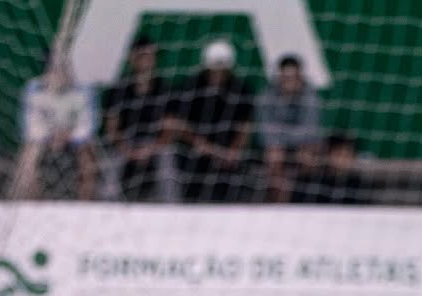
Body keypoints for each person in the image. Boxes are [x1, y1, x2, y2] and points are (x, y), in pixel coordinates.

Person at [164, 38, 256, 203]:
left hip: (228, 154)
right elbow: (173, 122)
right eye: (214, 67)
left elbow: (246, 126)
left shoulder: (241, 89)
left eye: (222, 68)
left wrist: (233, 151)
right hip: (194, 151)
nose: (218, 73)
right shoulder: (190, 87)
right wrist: (199, 143)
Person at [102, 34, 176, 202]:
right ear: (132, 58)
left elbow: (169, 130)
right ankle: (106, 204)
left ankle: (171, 205)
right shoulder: (118, 89)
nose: (147, 60)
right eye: (143, 55)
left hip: (155, 144)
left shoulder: (165, 89)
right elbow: (111, 129)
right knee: (112, 160)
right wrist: (126, 149)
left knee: (168, 155)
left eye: (151, 55)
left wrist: (150, 149)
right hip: (125, 143)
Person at [18, 47, 98, 200]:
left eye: (64, 67)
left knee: (88, 151)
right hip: (46, 140)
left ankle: (85, 202)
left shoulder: (84, 89)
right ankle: (34, 203)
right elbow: (30, 125)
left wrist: (70, 136)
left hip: (74, 141)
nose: (61, 72)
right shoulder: (34, 88)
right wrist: (50, 136)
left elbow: (89, 125)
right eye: (55, 68)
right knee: (29, 153)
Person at [256, 54, 322, 202]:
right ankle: (280, 203)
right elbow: (266, 132)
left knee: (307, 157)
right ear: (280, 76)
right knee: (274, 157)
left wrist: (286, 138)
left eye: (294, 77)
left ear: (300, 76)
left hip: (303, 145)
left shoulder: (311, 96)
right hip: (276, 146)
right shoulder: (266, 96)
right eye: (286, 78)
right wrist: (282, 144)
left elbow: (311, 131)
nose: (290, 82)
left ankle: (304, 201)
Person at [293, 130, 367, 206]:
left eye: (348, 155)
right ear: (328, 155)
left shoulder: (360, 185)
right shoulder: (311, 182)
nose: (343, 160)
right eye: (339, 154)